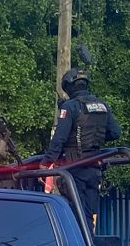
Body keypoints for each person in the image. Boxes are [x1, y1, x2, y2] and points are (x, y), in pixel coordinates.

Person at [44, 68, 122, 225]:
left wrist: (46, 162)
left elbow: (60, 138)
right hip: (95, 167)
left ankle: (83, 240)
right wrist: (94, 140)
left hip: (75, 167)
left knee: (75, 214)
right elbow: (115, 132)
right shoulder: (102, 105)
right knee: (89, 214)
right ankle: (89, 239)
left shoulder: (70, 106)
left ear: (69, 86)